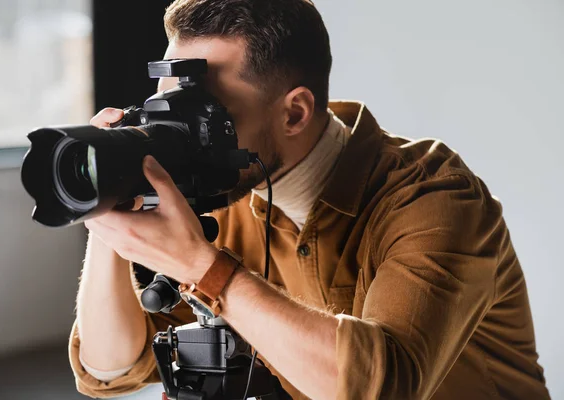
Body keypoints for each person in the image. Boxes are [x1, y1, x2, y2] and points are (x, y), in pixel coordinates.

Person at [68, 0, 550, 399]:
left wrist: (204, 269)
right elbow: (110, 369)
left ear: (294, 113)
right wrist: (110, 196)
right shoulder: (228, 194)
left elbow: (381, 389)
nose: (176, 136)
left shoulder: (434, 196)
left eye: (201, 117)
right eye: (165, 110)